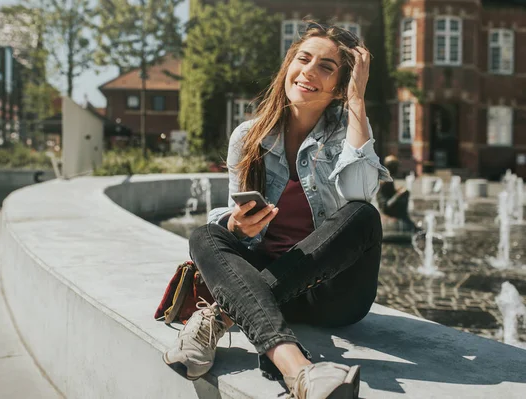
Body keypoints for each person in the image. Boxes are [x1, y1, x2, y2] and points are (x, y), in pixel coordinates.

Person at [163, 21, 391, 399]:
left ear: (339, 87)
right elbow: (236, 226)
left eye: (326, 67)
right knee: (206, 233)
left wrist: (357, 103)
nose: (309, 72)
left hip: (332, 296)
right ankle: (297, 369)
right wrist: (238, 228)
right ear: (288, 65)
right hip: (263, 286)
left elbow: (360, 196)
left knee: (364, 217)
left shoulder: (349, 131)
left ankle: (218, 316)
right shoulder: (248, 136)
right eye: (303, 59)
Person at [377, 155, 418, 232]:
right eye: (397, 167)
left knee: (405, 192)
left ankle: (406, 220)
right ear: (393, 167)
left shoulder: (387, 177)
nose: (398, 169)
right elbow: (386, 204)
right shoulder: (386, 180)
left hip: (387, 206)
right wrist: (399, 194)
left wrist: (397, 191)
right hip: (386, 208)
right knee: (405, 193)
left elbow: (389, 194)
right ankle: (405, 220)